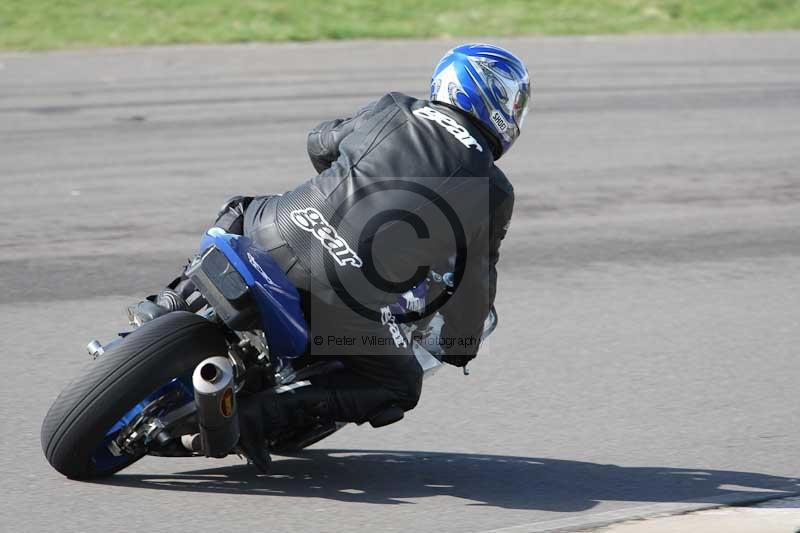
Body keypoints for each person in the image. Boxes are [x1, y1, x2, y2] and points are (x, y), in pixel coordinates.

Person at [140, 43, 529, 473]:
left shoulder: (394, 107)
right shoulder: (495, 191)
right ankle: (255, 415)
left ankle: (170, 299)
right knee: (399, 383)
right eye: (514, 102)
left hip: (280, 229)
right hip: (341, 297)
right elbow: (474, 280)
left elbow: (319, 140)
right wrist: (462, 344)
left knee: (239, 209)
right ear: (494, 102)